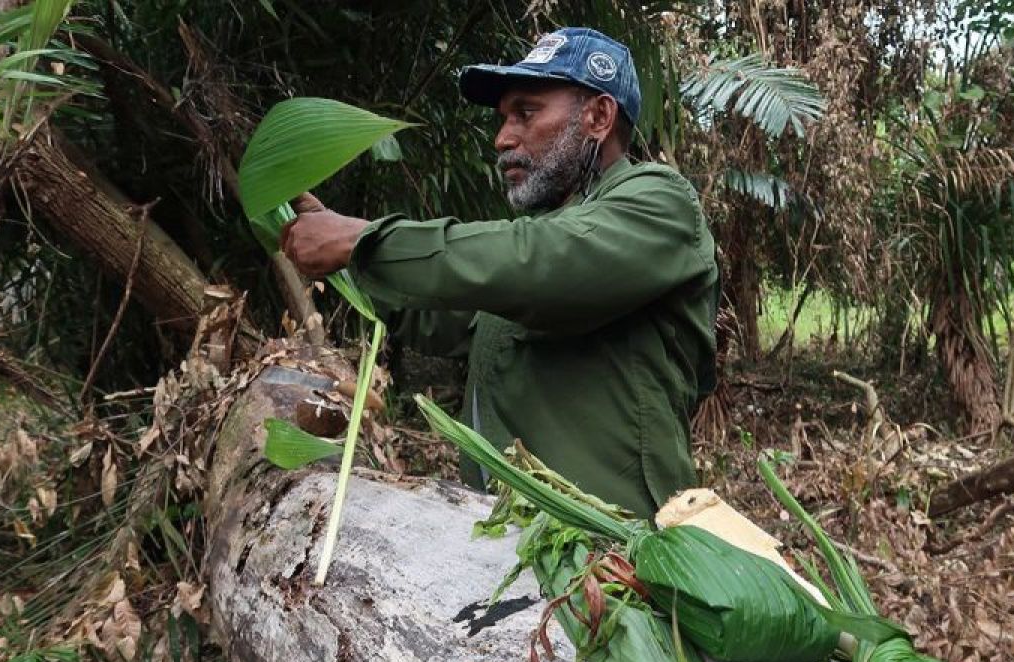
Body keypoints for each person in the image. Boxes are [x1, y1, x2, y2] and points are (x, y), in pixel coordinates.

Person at [280, 27, 719, 519]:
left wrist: (362, 240)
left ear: (598, 117)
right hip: (511, 546)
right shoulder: (531, 241)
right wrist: (347, 261)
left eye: (526, 113)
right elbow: (443, 315)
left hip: (616, 558)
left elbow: (540, 264)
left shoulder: (660, 202)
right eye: (503, 118)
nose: (502, 138)